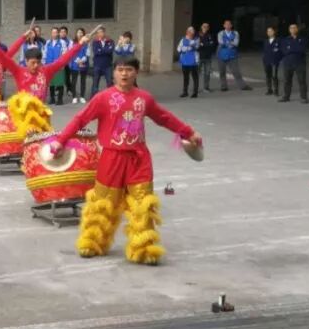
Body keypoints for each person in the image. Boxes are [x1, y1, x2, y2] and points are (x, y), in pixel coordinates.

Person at [49, 57, 201, 266]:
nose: (124, 74)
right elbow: (80, 119)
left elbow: (164, 117)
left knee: (142, 204)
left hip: (139, 159)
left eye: (129, 69)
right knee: (103, 203)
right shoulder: (103, 98)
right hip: (111, 158)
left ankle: (144, 249)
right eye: (120, 70)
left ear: (136, 72)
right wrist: (60, 141)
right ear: (114, 73)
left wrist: (188, 132)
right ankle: (93, 242)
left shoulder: (144, 98)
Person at [0, 29, 87, 103]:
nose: (36, 65)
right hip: (23, 115)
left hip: (41, 116)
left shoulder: (46, 71)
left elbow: (63, 59)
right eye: (33, 62)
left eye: (38, 62)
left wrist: (80, 44)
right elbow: (5, 58)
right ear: (26, 61)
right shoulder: (19, 71)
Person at [217, 19, 252, 91]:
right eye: (226, 24)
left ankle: (243, 86)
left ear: (231, 25)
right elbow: (221, 42)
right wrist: (230, 42)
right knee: (222, 72)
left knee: (236, 72)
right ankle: (224, 87)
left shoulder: (235, 33)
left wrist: (227, 43)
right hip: (221, 55)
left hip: (232, 55)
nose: (227, 25)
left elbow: (236, 43)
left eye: (229, 24)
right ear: (224, 25)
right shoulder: (220, 33)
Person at [278, 23, 309, 104]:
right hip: (288, 63)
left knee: (302, 81)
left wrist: (291, 49)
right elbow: (284, 50)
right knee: (287, 81)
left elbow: (302, 50)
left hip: (300, 63)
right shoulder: (285, 40)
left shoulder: (302, 39)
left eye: (294, 28)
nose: (293, 29)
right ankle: (286, 96)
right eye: (291, 28)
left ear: (297, 29)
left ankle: (304, 97)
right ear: (289, 30)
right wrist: (294, 49)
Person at [42, 28, 68, 106]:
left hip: (58, 66)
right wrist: (44, 63)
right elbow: (44, 53)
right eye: (53, 32)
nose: (54, 34)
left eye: (56, 32)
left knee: (60, 82)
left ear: (58, 33)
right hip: (49, 65)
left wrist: (62, 64)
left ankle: (60, 99)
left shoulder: (62, 42)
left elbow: (64, 53)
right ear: (51, 33)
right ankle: (52, 99)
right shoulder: (48, 42)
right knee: (51, 83)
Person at [177, 27, 200, 98]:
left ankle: (195, 92)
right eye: (190, 32)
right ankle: (185, 92)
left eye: (193, 32)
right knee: (185, 77)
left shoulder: (196, 39)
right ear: (187, 32)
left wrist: (187, 47)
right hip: (185, 60)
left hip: (193, 61)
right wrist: (184, 48)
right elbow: (179, 48)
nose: (191, 33)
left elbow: (196, 46)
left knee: (195, 77)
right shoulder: (183, 39)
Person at [68, 27, 90, 104]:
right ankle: (74, 97)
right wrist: (77, 60)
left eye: (81, 33)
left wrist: (82, 60)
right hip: (74, 63)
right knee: (74, 81)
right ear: (76, 34)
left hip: (83, 63)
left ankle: (82, 97)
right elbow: (70, 52)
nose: (80, 34)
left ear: (83, 34)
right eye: (78, 32)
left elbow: (88, 53)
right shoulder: (72, 42)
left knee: (83, 81)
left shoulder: (86, 43)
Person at [91, 28, 114, 92]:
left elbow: (110, 51)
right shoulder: (95, 42)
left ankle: (110, 96)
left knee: (110, 83)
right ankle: (94, 96)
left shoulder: (110, 41)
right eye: (98, 32)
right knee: (95, 83)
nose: (99, 34)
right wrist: (106, 49)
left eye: (101, 32)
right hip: (97, 65)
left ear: (104, 32)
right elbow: (96, 52)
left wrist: (101, 50)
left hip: (108, 66)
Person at [262, 25, 282, 97]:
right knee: (268, 75)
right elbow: (264, 51)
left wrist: (279, 59)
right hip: (266, 60)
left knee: (274, 76)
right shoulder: (266, 41)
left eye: (270, 31)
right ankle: (269, 89)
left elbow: (281, 51)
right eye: (268, 31)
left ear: (274, 32)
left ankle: (276, 90)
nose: (269, 32)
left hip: (274, 61)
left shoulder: (278, 40)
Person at [198, 22, 217, 92]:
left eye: (207, 27)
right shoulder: (198, 35)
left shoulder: (210, 35)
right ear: (201, 27)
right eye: (204, 26)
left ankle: (206, 88)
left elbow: (212, 45)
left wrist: (203, 44)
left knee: (207, 73)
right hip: (199, 57)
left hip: (208, 57)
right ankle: (195, 88)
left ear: (208, 28)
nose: (205, 28)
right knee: (197, 73)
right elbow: (197, 45)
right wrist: (206, 44)